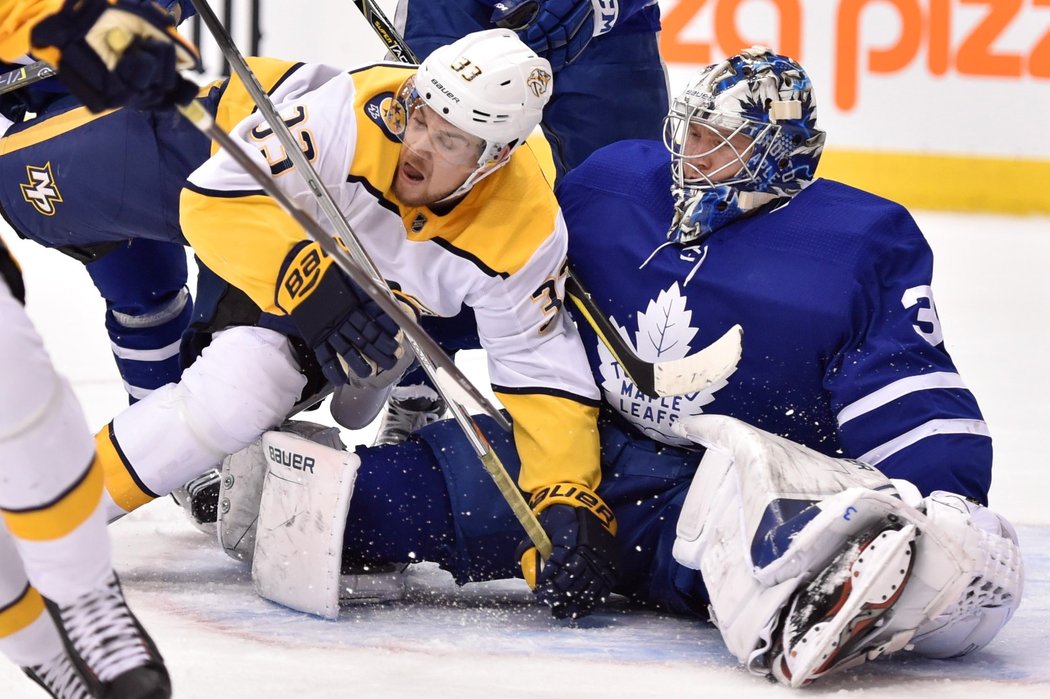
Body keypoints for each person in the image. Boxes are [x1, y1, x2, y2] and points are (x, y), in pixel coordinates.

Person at [219, 47, 1023, 686]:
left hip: (721, 480)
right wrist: (344, 329)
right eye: (691, 128)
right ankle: (316, 498)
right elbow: (499, 295)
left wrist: (942, 500)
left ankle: (824, 585)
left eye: (721, 140)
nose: (691, 154)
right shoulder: (613, 183)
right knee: (420, 492)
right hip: (587, 447)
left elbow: (910, 396)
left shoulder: (854, 245)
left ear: (779, 155)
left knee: (735, 519)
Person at [0, 1, 197, 696]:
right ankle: (36, 640)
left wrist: (106, 26)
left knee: (13, 372)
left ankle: (172, 439)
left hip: (80, 89)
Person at [375, 0, 670, 441]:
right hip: (455, 10)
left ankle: (602, 395)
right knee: (429, 174)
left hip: (605, 21)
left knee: (626, 197)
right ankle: (417, 378)